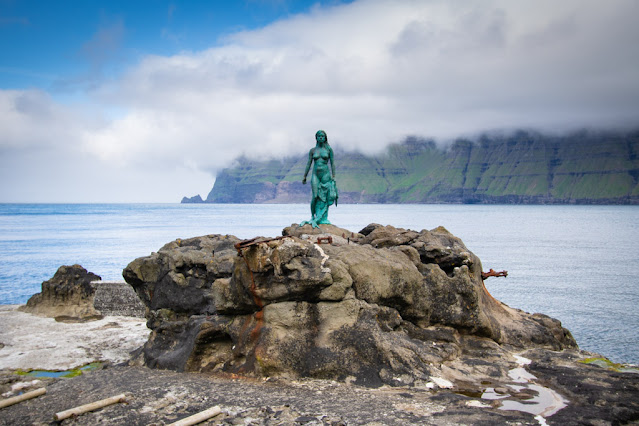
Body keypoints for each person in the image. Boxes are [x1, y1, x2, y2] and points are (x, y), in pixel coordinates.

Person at [301, 130, 338, 228]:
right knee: (315, 196)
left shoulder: (329, 150)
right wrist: (305, 176)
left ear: (325, 138)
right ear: (316, 138)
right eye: (319, 136)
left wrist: (333, 176)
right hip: (315, 175)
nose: (321, 137)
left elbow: (332, 163)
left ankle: (323, 218)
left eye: (322, 136)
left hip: (325, 174)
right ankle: (313, 216)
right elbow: (309, 163)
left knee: (325, 197)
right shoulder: (313, 150)